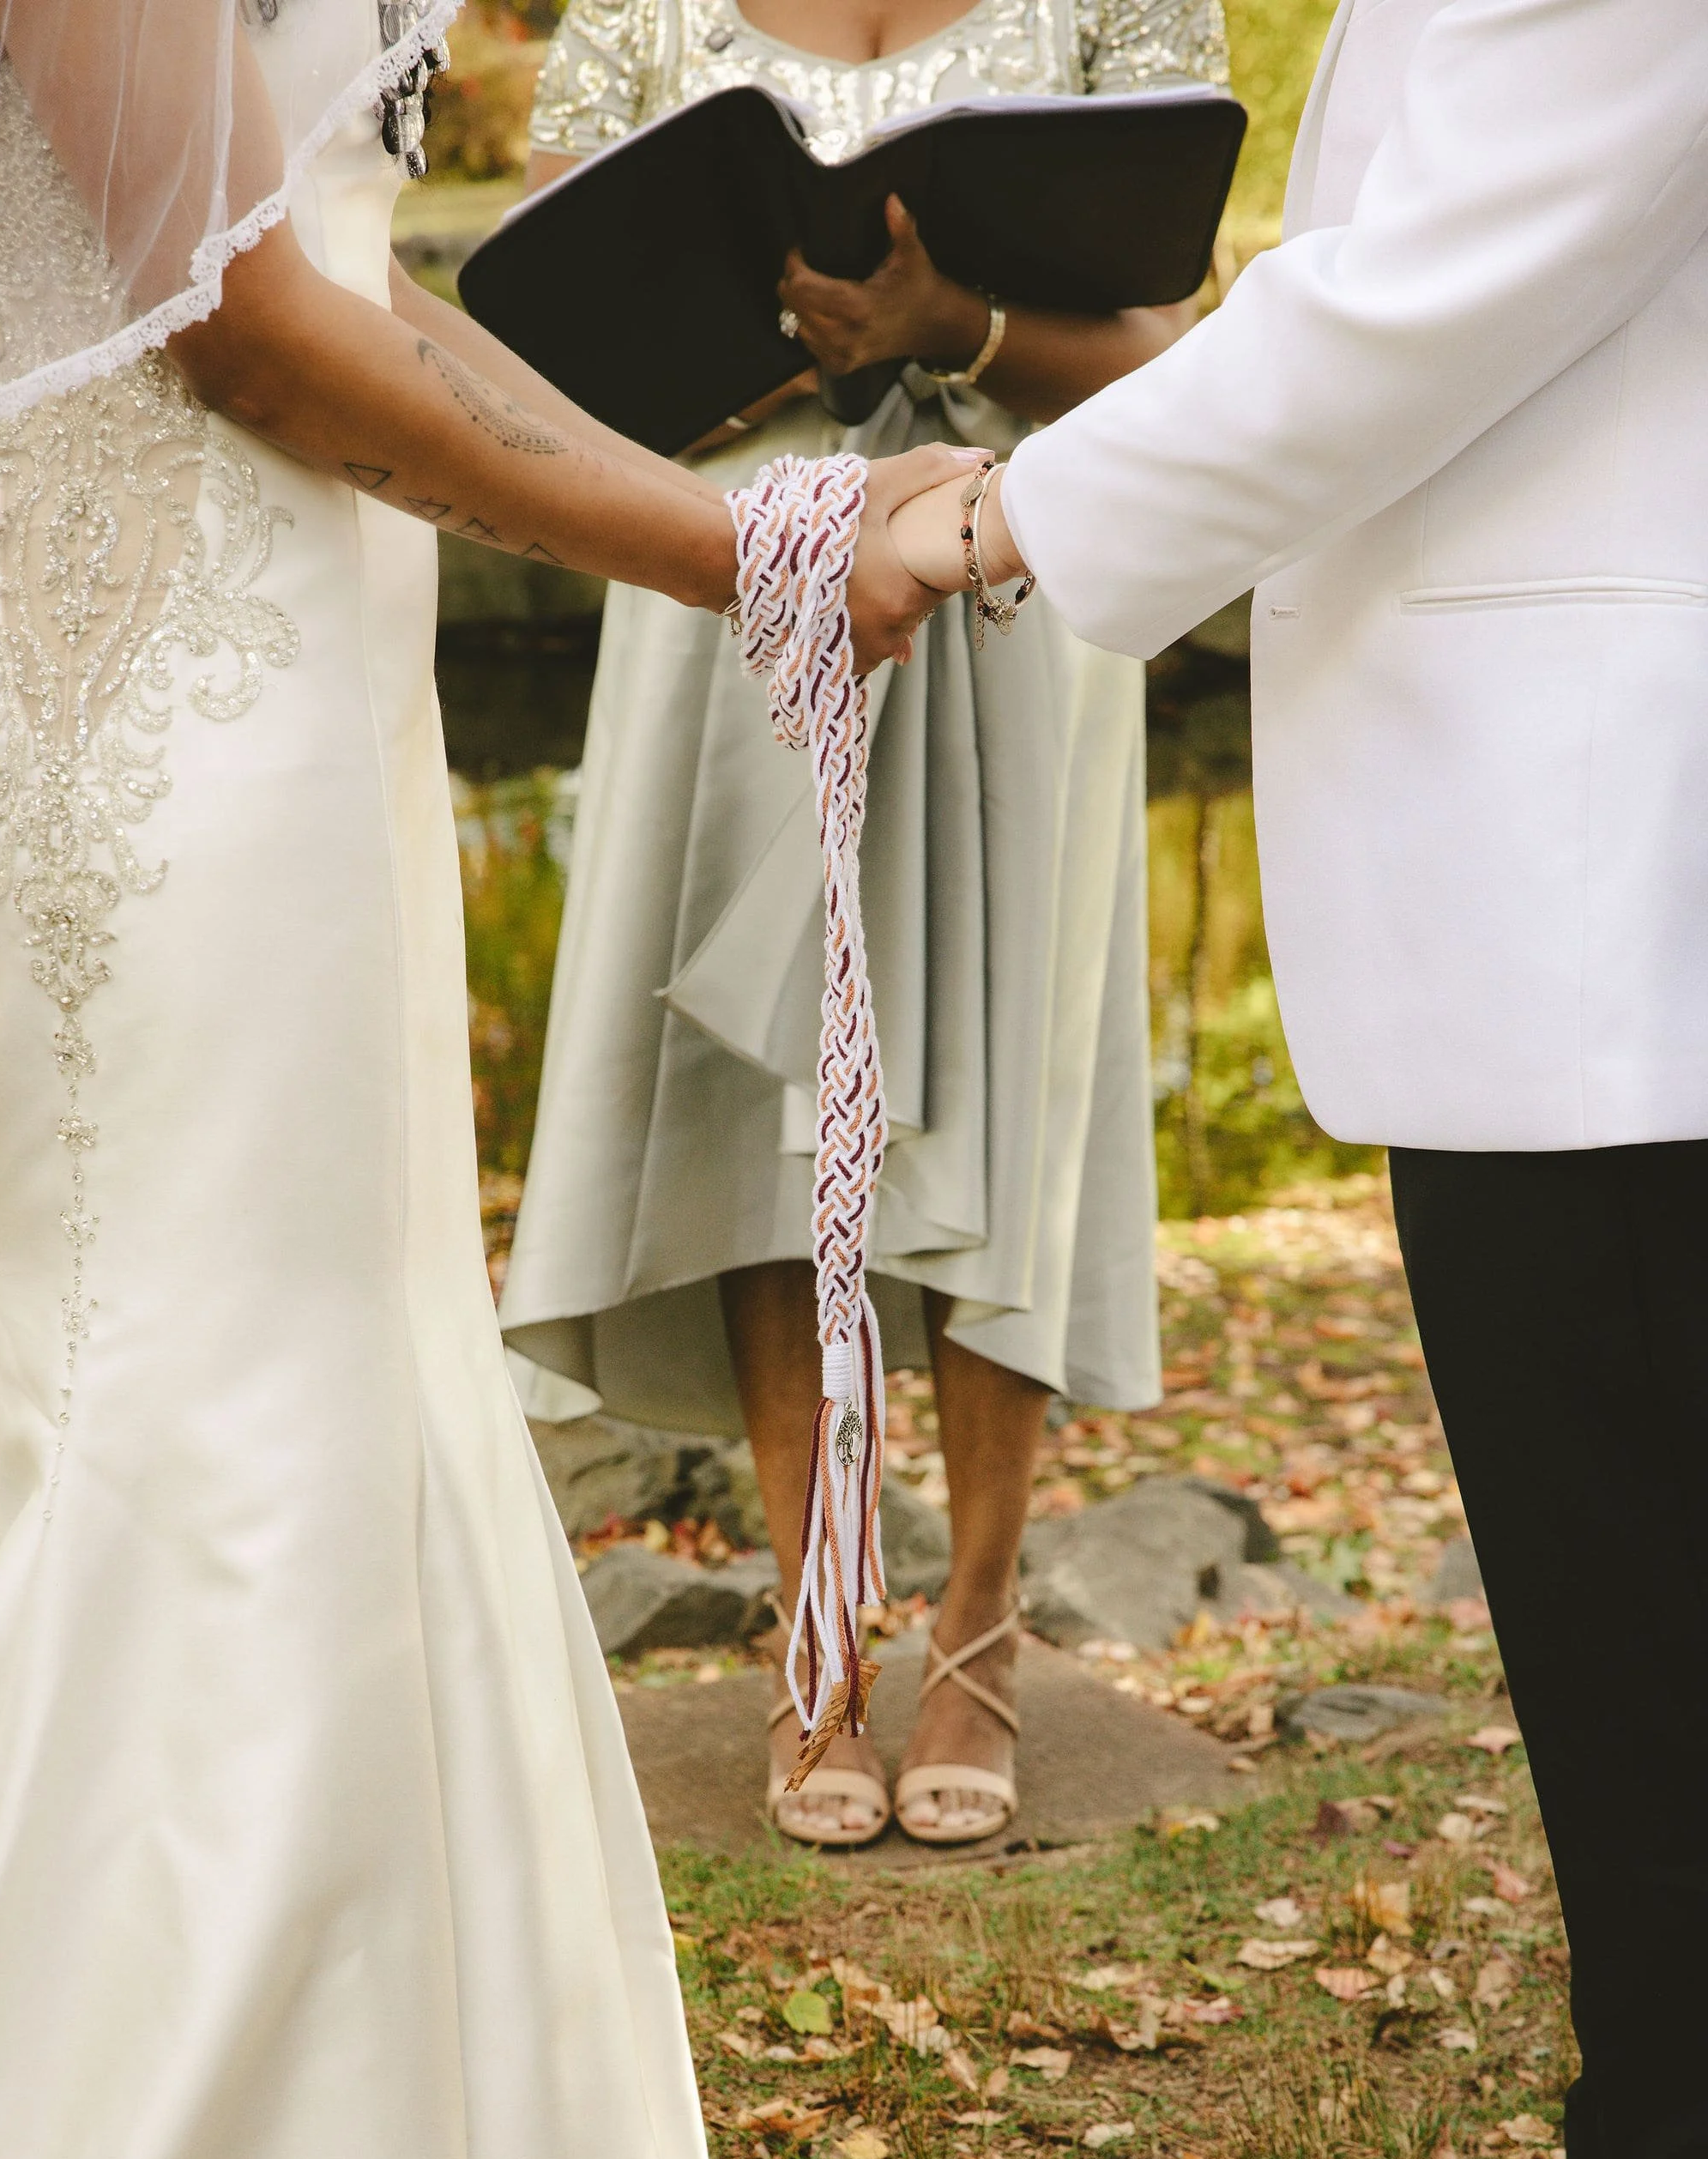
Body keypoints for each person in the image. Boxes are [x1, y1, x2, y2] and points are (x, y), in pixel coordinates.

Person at [0, 3, 957, 2159]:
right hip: (149, 663)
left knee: (304, 1354)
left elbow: (352, 266)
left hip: (287, 637)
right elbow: (242, 320)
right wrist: (749, 562)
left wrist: (747, 509)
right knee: (189, 1387)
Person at [890, 0, 1708, 2159]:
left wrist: (1013, 512)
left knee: (1659, 1650)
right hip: (1550, 870)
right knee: (1613, 1640)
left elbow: (1443, 281)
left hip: (1612, 879)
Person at [497, 0, 1228, 1849]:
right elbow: (541, 364)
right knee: (769, 1081)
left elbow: (1187, 366)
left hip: (1014, 562)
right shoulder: (634, 11)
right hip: (730, 572)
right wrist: (780, 354)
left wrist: (946, 326)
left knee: (1001, 1077)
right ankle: (812, 1628)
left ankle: (978, 1622)